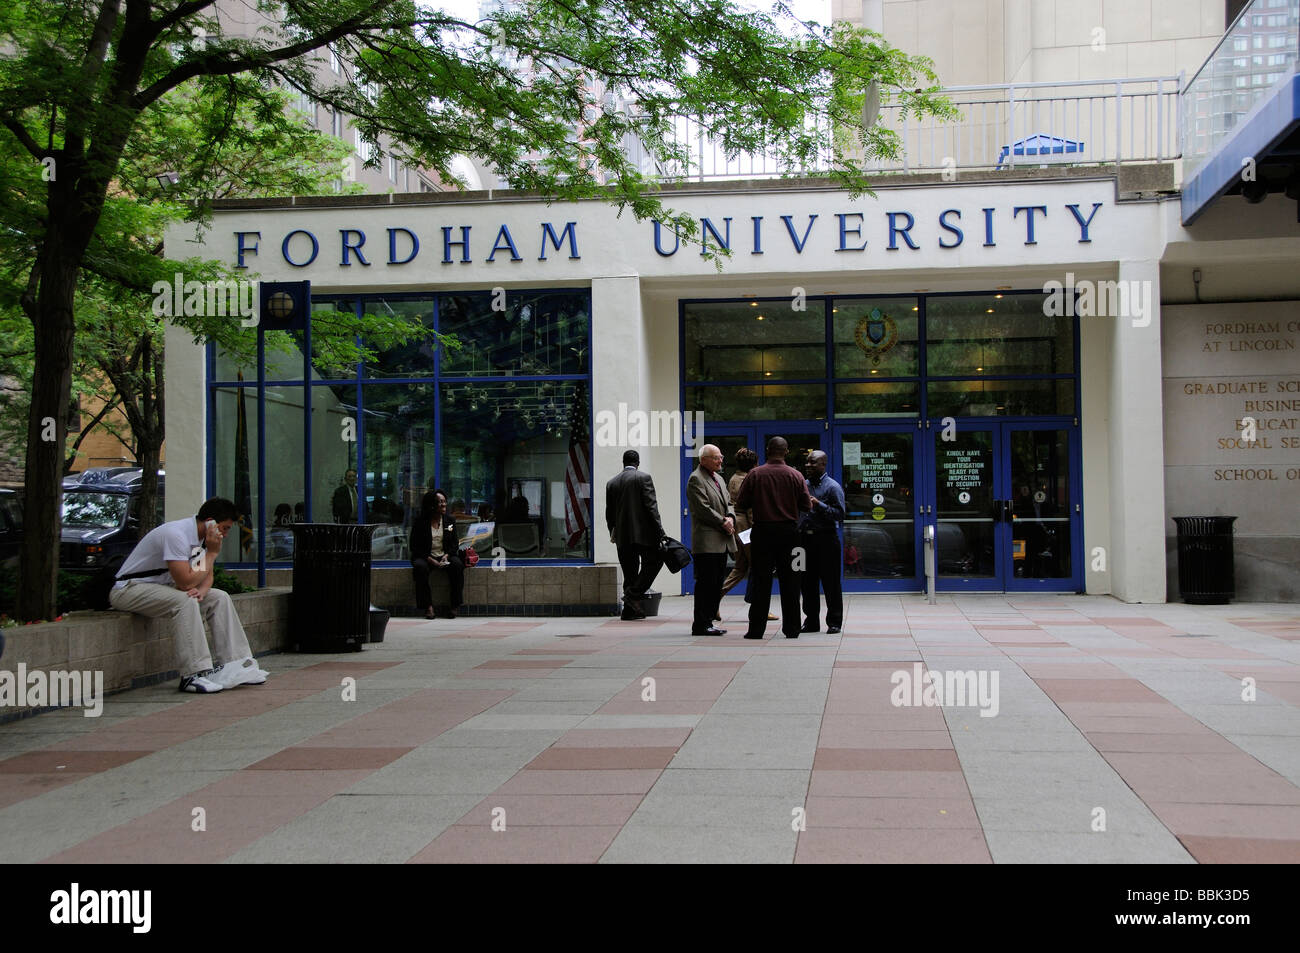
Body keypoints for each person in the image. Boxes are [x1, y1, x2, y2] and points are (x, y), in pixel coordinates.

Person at [108, 497, 268, 693]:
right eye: (225, 528)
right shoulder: (176, 535)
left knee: (219, 597)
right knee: (185, 601)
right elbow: (185, 581)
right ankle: (193, 674)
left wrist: (201, 591)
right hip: (129, 589)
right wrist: (211, 553)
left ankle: (237, 665)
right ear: (210, 522)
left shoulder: (199, 539)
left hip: (160, 588)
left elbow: (204, 577)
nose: (225, 535)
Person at [734, 436, 812, 639]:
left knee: (761, 580)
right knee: (793, 580)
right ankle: (792, 628)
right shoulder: (796, 475)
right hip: (791, 534)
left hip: (762, 533)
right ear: (786, 452)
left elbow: (741, 503)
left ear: (767, 450)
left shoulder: (755, 474)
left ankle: (756, 630)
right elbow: (807, 506)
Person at [605, 449, 665, 620]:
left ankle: (629, 610)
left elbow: (609, 513)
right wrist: (660, 532)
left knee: (629, 572)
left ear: (623, 462)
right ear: (638, 463)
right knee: (655, 561)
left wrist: (613, 531)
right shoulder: (643, 478)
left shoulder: (612, 483)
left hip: (622, 536)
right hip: (644, 534)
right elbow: (651, 507)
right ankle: (633, 595)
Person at [719, 447, 778, 622]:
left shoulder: (733, 478)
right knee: (760, 568)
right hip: (747, 529)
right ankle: (761, 607)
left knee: (740, 567)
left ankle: (714, 600)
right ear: (754, 464)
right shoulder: (750, 479)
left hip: (736, 527)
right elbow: (751, 509)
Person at [687, 444, 735, 636]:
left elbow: (729, 502)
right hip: (707, 542)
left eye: (721, 456)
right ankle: (700, 623)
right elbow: (702, 508)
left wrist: (730, 516)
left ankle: (708, 620)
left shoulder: (719, 479)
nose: (720, 460)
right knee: (706, 584)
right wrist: (723, 521)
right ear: (703, 459)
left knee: (716, 583)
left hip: (722, 540)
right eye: (716, 457)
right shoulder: (695, 479)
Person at [799, 449, 845, 634]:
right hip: (804, 540)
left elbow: (840, 514)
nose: (808, 465)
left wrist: (819, 505)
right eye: (808, 462)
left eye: (813, 462)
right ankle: (811, 621)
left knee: (831, 582)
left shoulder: (832, 487)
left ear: (823, 464)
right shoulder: (802, 485)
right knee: (806, 582)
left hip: (826, 539)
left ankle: (834, 622)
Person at [410, 488, 464, 619]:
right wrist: (431, 560)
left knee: (457, 565)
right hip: (426, 556)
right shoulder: (420, 522)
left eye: (445, 501)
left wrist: (447, 556)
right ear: (432, 505)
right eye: (440, 502)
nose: (444, 505)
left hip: (444, 556)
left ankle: (455, 606)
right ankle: (428, 607)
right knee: (420, 568)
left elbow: (454, 543)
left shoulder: (449, 521)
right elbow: (414, 546)